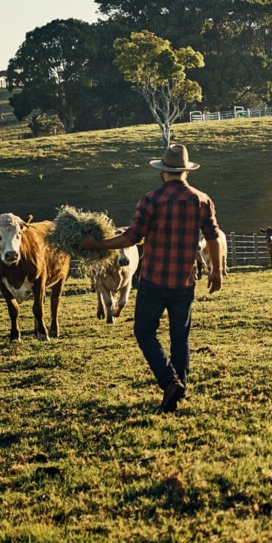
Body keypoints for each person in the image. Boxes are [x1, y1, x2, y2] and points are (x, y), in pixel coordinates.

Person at [81, 144, 223, 413]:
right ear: (185, 172)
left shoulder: (150, 200)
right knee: (179, 337)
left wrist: (95, 246)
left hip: (154, 280)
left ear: (162, 173)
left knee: (144, 331)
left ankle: (170, 383)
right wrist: (216, 271)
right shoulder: (202, 200)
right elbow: (214, 237)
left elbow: (131, 238)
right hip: (184, 281)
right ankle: (178, 391)